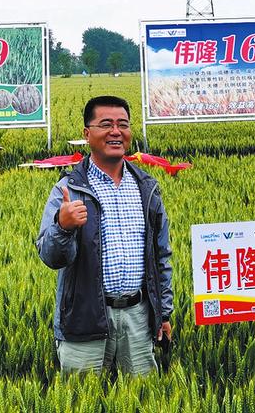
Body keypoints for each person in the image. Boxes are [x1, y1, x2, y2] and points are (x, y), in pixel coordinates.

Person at [37, 95, 173, 375]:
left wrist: (163, 312)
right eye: (106, 124)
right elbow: (50, 257)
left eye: (123, 124)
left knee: (143, 394)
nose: (116, 131)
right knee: (81, 395)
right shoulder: (68, 190)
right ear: (87, 134)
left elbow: (161, 256)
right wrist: (63, 226)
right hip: (84, 317)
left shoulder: (146, 188)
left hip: (137, 317)